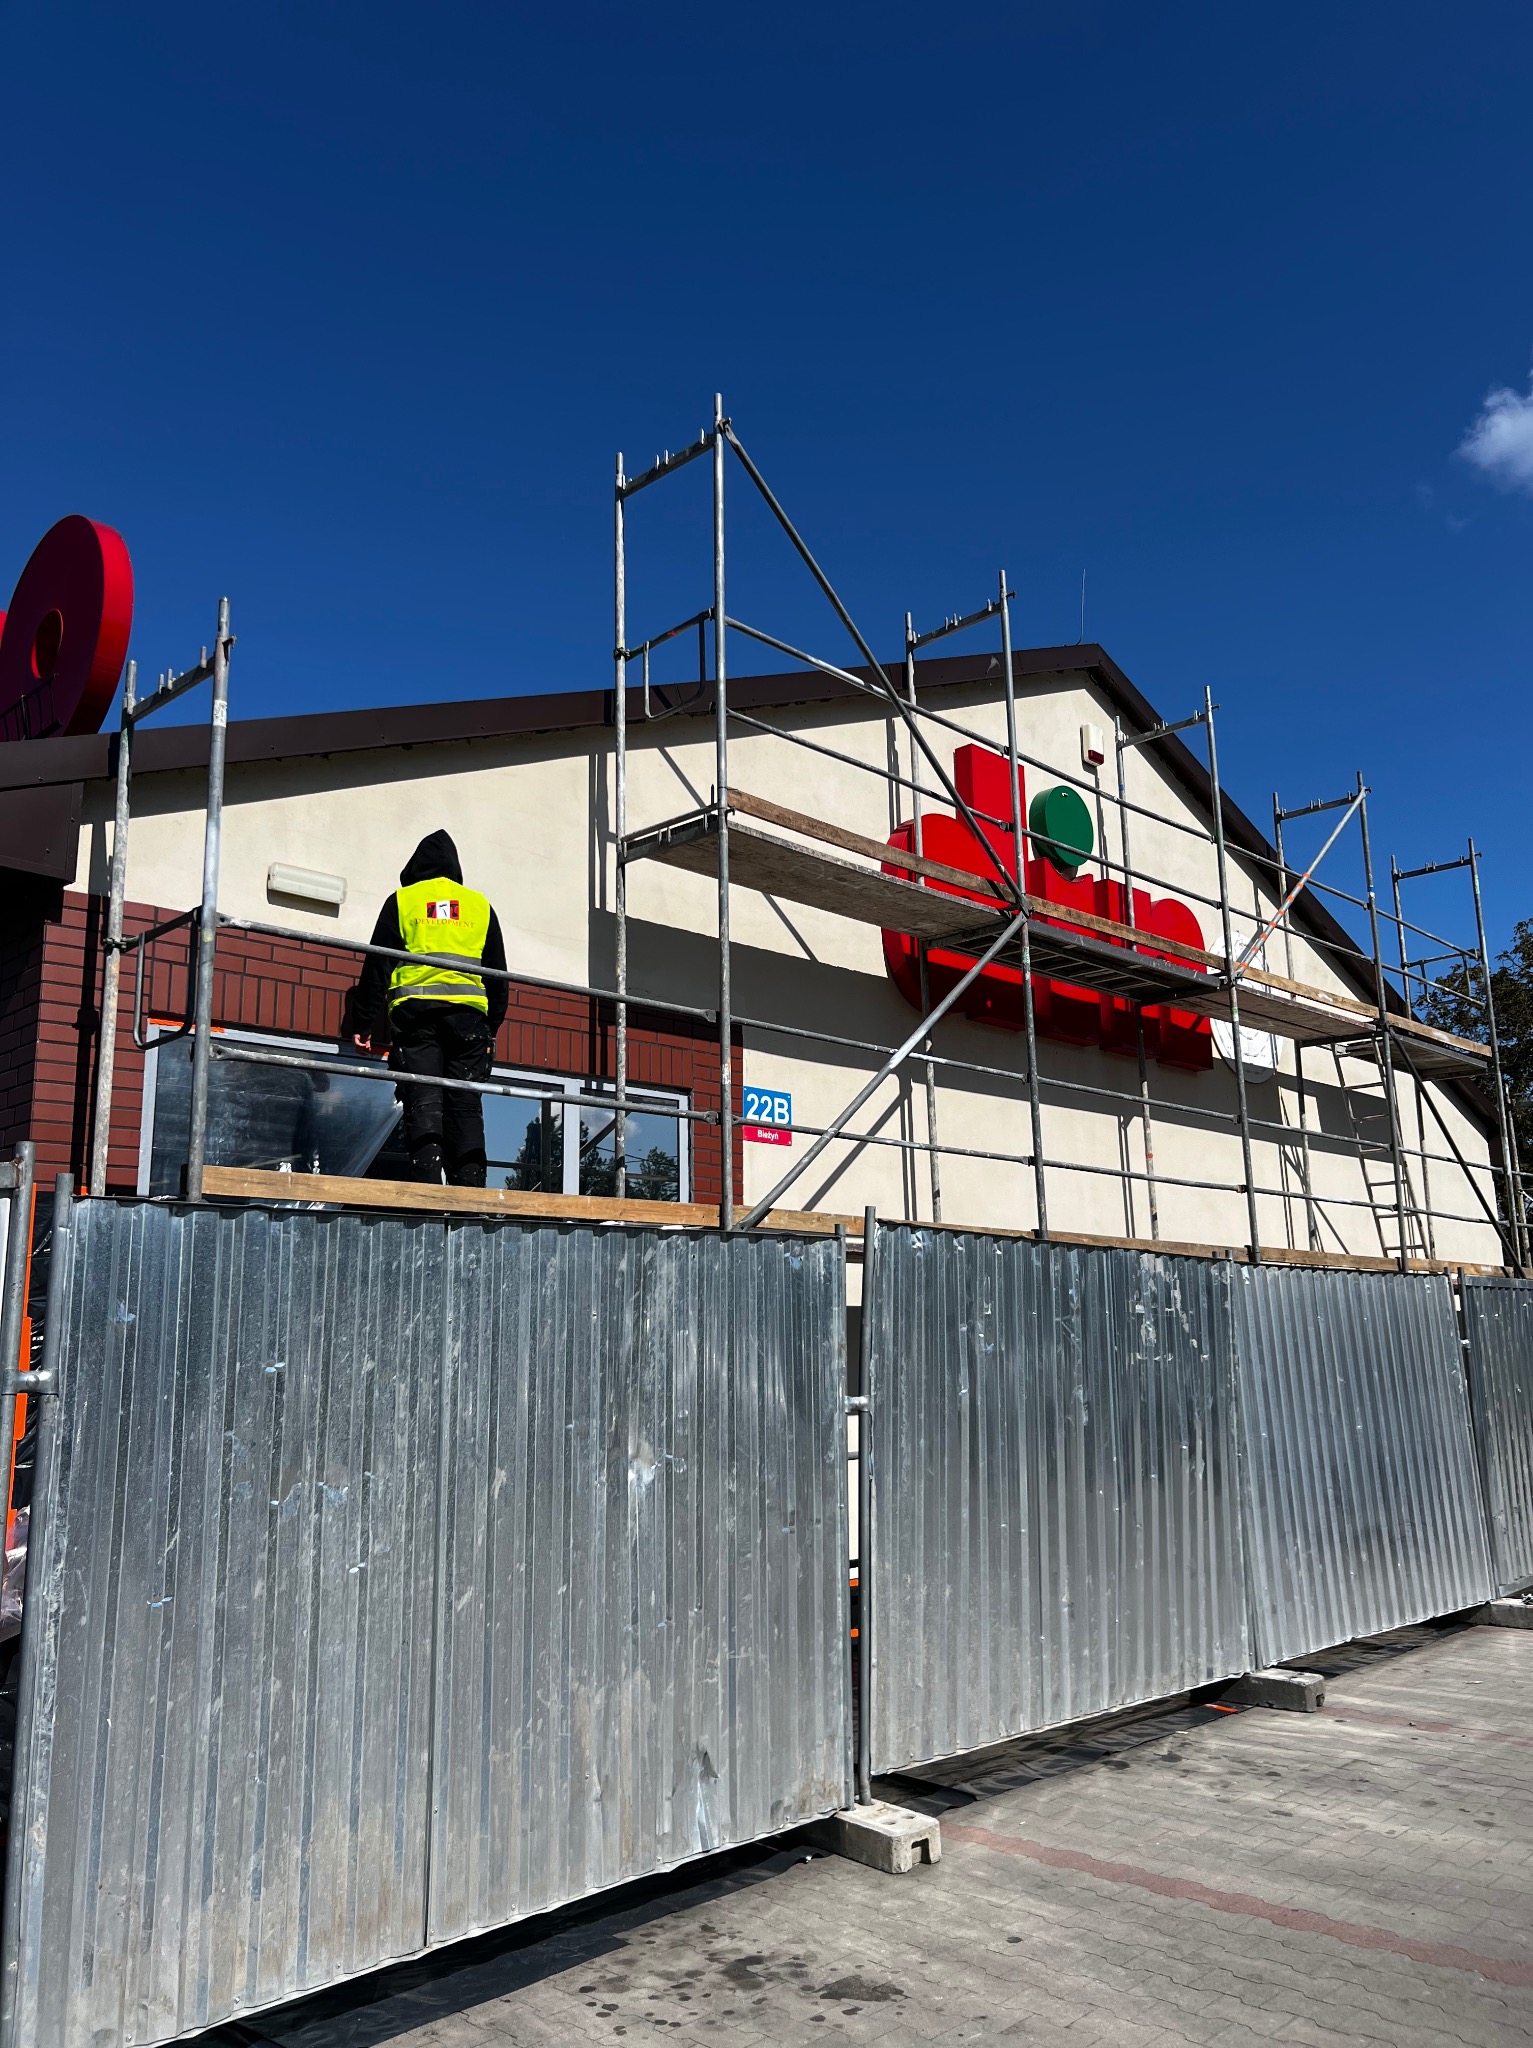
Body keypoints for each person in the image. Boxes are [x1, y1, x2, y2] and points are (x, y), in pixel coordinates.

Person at [350, 830, 508, 1185]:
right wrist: (491, 1028)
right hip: (469, 1021)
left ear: (415, 866)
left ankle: (427, 1194)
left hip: (417, 1017)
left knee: (424, 1099)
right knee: (465, 1105)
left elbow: (378, 964)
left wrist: (362, 1021)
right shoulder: (479, 906)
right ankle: (469, 1196)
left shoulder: (404, 900)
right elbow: (498, 975)